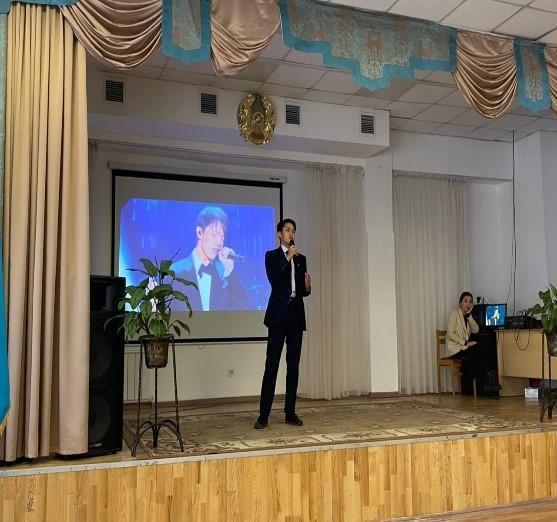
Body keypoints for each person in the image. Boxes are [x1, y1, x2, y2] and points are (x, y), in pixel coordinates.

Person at [254, 218, 311, 429]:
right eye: (287, 230)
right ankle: (263, 415)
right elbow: (275, 279)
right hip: (278, 317)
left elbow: (302, 291)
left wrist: (307, 287)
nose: (291, 234)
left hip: (295, 316)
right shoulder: (272, 256)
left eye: (293, 230)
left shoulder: (301, 259)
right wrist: (287, 257)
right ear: (279, 234)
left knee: (293, 366)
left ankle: (290, 412)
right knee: (272, 365)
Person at [173, 206, 248, 311]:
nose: (219, 243)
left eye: (222, 237)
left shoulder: (224, 273)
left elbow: (243, 307)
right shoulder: (175, 273)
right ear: (199, 232)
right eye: (214, 234)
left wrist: (230, 271)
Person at [446, 292, 498, 396]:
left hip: (464, 348)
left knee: (479, 353)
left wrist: (469, 316)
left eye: (470, 302)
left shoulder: (468, 316)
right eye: (465, 301)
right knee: (478, 351)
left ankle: (479, 387)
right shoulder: (454, 313)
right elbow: (450, 334)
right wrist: (465, 342)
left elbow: (476, 330)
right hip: (455, 348)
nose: (468, 304)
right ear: (460, 303)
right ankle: (484, 383)